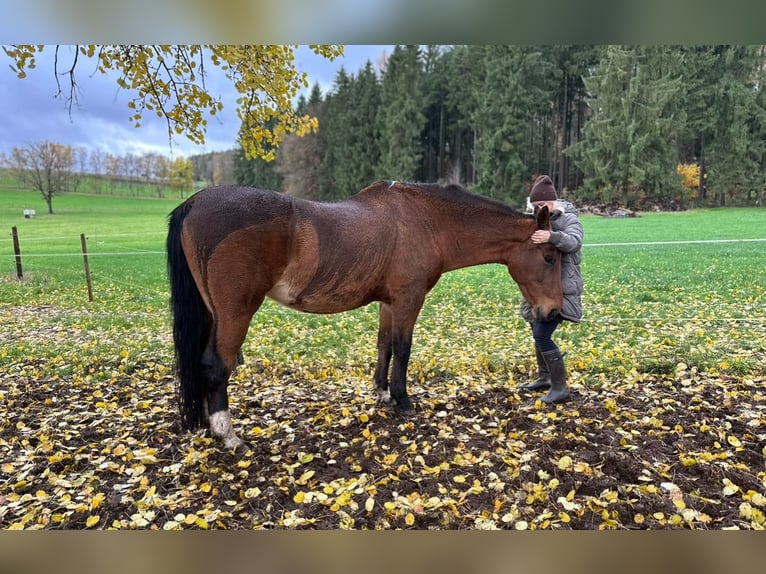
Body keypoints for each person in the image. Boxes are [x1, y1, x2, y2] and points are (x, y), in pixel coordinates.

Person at [520, 175, 583, 404]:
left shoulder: (569, 219)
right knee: (535, 327)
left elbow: (574, 242)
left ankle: (560, 388)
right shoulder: (539, 218)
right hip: (541, 286)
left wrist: (551, 236)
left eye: (539, 206)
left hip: (561, 288)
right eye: (534, 206)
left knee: (542, 334)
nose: (537, 210)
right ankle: (545, 377)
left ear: (550, 202)